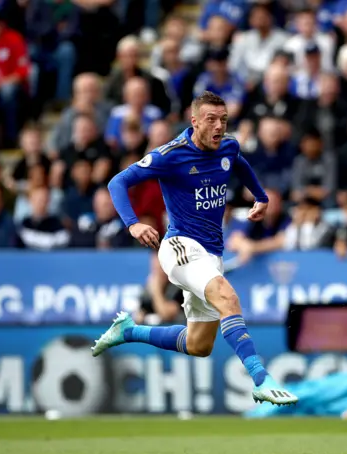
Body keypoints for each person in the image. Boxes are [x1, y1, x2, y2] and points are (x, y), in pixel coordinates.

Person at [95, 91, 298, 406]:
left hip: (210, 255)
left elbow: (239, 164)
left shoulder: (228, 146)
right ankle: (262, 379)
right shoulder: (170, 154)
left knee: (199, 344)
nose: (219, 126)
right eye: (211, 119)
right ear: (194, 122)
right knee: (228, 297)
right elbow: (117, 183)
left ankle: (129, 331)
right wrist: (133, 223)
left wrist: (260, 196)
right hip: (180, 247)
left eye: (223, 119)